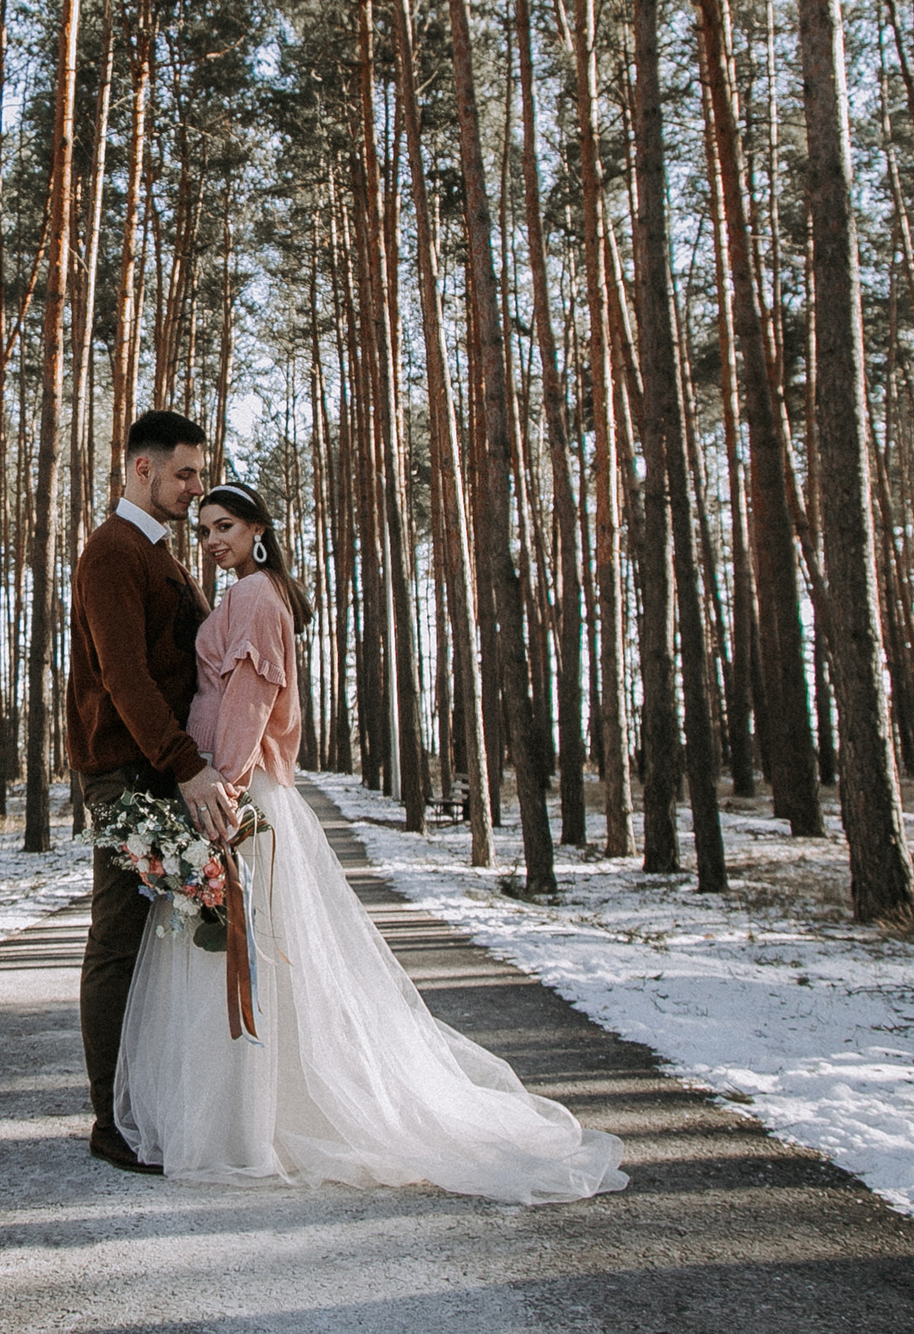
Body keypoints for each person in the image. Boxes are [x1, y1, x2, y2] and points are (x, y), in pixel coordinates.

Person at [111, 480, 628, 1202]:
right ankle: (240, 1117)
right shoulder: (247, 595)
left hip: (239, 793)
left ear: (259, 528)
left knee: (251, 953)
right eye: (202, 531)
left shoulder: (257, 597)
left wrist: (220, 792)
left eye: (224, 525)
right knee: (241, 957)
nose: (212, 541)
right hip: (228, 788)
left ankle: (253, 1124)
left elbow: (251, 706)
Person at [67, 409, 224, 1173]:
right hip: (127, 772)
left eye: (200, 474)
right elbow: (123, 677)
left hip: (157, 769)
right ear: (142, 470)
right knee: (119, 942)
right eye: (185, 474)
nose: (197, 488)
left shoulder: (157, 552)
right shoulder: (111, 552)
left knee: (164, 943)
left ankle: (149, 1102)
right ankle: (112, 1121)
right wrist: (185, 762)